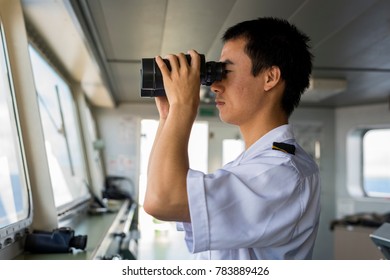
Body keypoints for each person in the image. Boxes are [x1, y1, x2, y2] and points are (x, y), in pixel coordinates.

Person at [144, 17, 321, 260]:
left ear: (270, 77)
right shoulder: (256, 163)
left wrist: (184, 108)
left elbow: (161, 201)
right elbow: (163, 194)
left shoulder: (281, 172)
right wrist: (168, 117)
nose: (214, 85)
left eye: (225, 70)